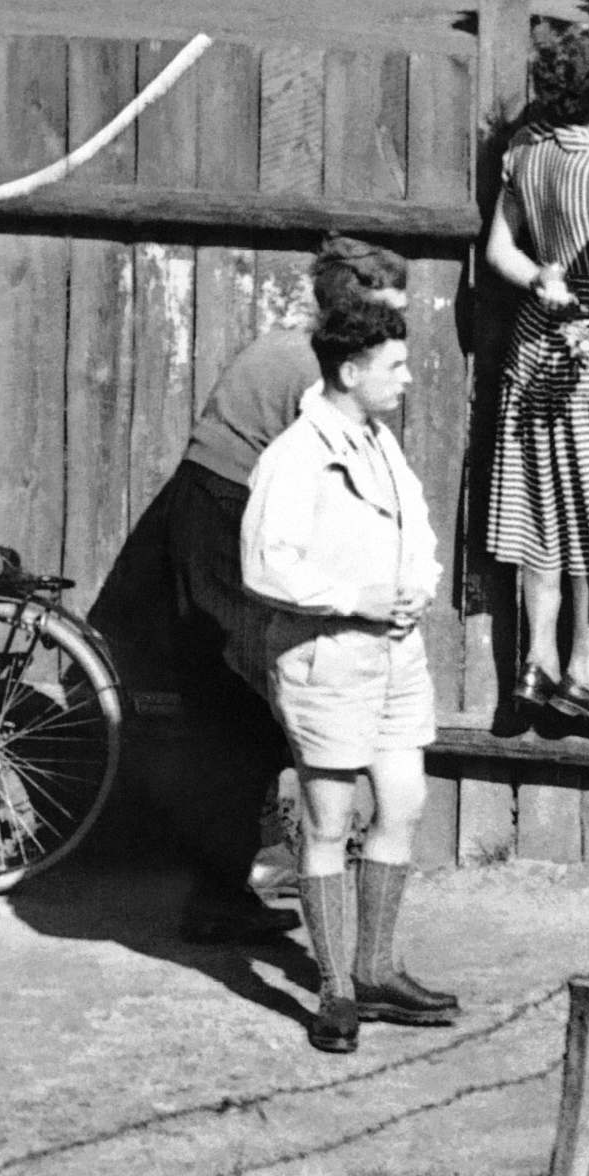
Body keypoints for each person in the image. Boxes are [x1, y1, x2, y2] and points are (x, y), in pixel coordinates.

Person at [91, 238, 407, 945]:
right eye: (386, 318)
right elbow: (319, 483)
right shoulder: (309, 369)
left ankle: (237, 871)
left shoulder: (285, 344)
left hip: (207, 511)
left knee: (236, 704)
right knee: (246, 702)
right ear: (351, 309)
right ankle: (222, 887)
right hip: (223, 520)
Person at [240, 299, 449, 1054]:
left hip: (395, 654)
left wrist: (415, 587)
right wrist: (351, 599)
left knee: (402, 801)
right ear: (350, 370)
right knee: (329, 822)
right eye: (392, 366)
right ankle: (333, 992)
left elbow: (417, 529)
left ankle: (377, 968)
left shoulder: (379, 442)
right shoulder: (294, 456)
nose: (405, 378)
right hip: (325, 659)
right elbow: (265, 566)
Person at [481, 22, 589, 739]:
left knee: (538, 513)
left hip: (533, 348)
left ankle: (535, 664)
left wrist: (542, 282)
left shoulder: (522, 152)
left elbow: (499, 251)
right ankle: (588, 671)